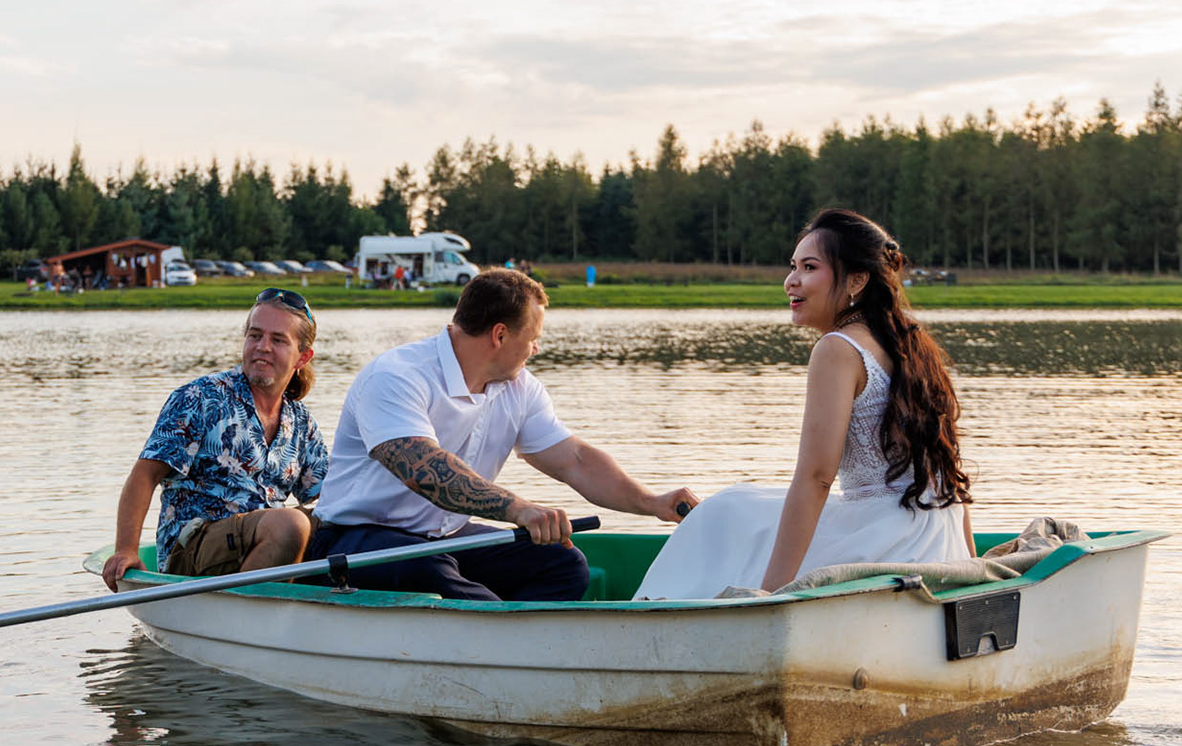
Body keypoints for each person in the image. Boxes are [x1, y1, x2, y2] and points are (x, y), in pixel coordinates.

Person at [634, 208, 974, 600]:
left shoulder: (838, 348)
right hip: (939, 537)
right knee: (742, 506)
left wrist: (771, 594)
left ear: (857, 280)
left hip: (888, 541)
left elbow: (816, 478)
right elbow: (948, 470)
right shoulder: (913, 345)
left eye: (809, 267)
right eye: (793, 266)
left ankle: (663, 618)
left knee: (721, 513)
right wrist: (971, 563)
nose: (791, 282)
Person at [310, 268, 698, 601]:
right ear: (499, 335)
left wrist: (651, 502)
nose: (536, 348)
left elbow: (575, 461)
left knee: (564, 564)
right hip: (354, 538)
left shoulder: (520, 388)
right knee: (430, 570)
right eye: (532, 337)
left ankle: (506, 642)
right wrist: (518, 509)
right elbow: (424, 470)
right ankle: (500, 638)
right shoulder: (396, 376)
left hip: (443, 537)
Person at [101, 288, 329, 590]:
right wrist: (126, 549)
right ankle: (243, 612)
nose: (262, 347)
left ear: (303, 357)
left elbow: (330, 494)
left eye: (278, 340)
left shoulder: (300, 421)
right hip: (193, 548)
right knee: (291, 523)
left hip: (268, 542)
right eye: (255, 335)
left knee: (342, 525)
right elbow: (145, 475)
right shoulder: (201, 397)